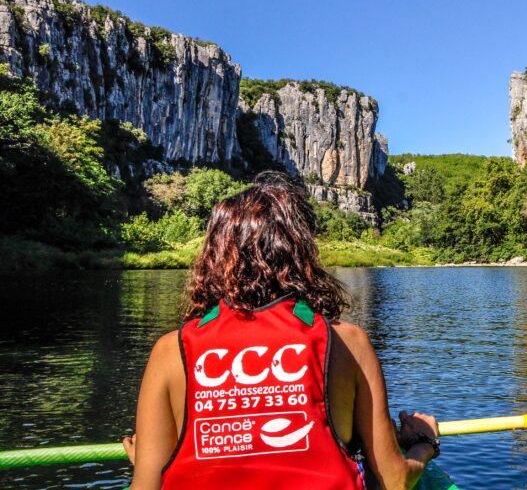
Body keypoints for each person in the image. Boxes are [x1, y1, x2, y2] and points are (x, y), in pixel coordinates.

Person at [122, 170, 439, 490]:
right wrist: (425, 443)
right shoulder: (349, 342)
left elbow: (144, 487)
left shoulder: (170, 350)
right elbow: (396, 480)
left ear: (214, 256)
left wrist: (152, 461)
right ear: (301, 253)